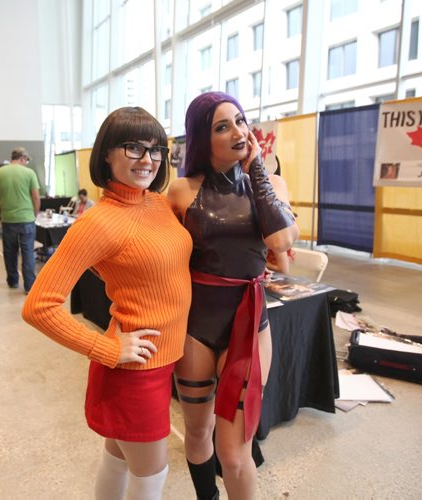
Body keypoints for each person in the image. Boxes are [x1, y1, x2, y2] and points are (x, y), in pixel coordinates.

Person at [22, 107, 193, 500]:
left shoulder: (158, 204)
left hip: (160, 361)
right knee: (152, 475)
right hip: (134, 370)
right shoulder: (98, 222)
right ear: (106, 155)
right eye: (133, 147)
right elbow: (38, 306)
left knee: (117, 460)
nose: (148, 159)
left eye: (156, 149)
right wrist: (106, 347)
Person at [168, 91, 299, 500]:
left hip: (249, 326)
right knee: (197, 430)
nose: (238, 131)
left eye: (241, 121)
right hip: (195, 328)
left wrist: (256, 168)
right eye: (222, 126)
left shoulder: (272, 183)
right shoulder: (180, 191)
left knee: (236, 453)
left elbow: (280, 240)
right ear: (202, 138)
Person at [0, 147, 40, 293]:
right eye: (26, 160)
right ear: (23, 158)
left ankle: (13, 281)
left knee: (10, 251)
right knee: (27, 252)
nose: (26, 163)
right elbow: (36, 197)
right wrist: (34, 214)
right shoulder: (29, 173)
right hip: (26, 219)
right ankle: (29, 286)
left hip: (8, 219)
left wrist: (1, 211)